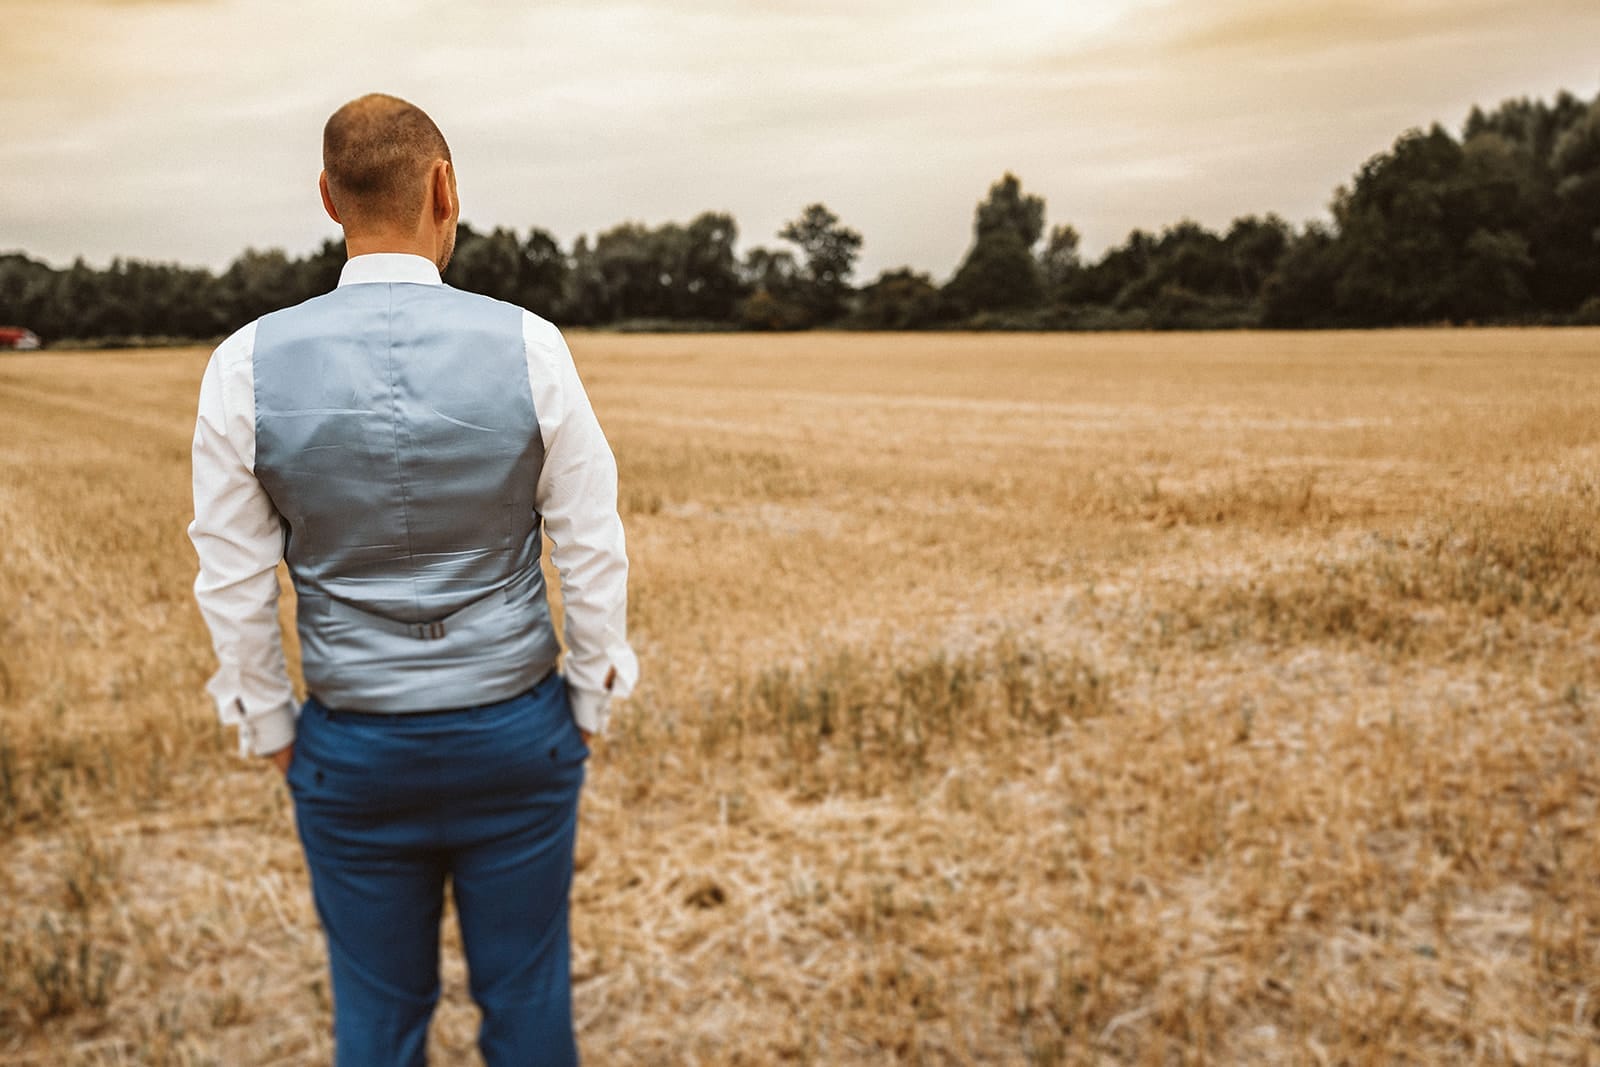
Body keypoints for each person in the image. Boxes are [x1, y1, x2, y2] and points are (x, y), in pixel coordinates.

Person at [187, 92, 636, 1067]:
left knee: (378, 1020)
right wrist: (590, 700)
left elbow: (232, 579)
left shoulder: (242, 365)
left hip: (350, 749)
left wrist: (273, 729)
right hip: (516, 735)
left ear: (327, 197)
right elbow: (589, 541)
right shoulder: (530, 344)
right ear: (445, 189)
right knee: (527, 1001)